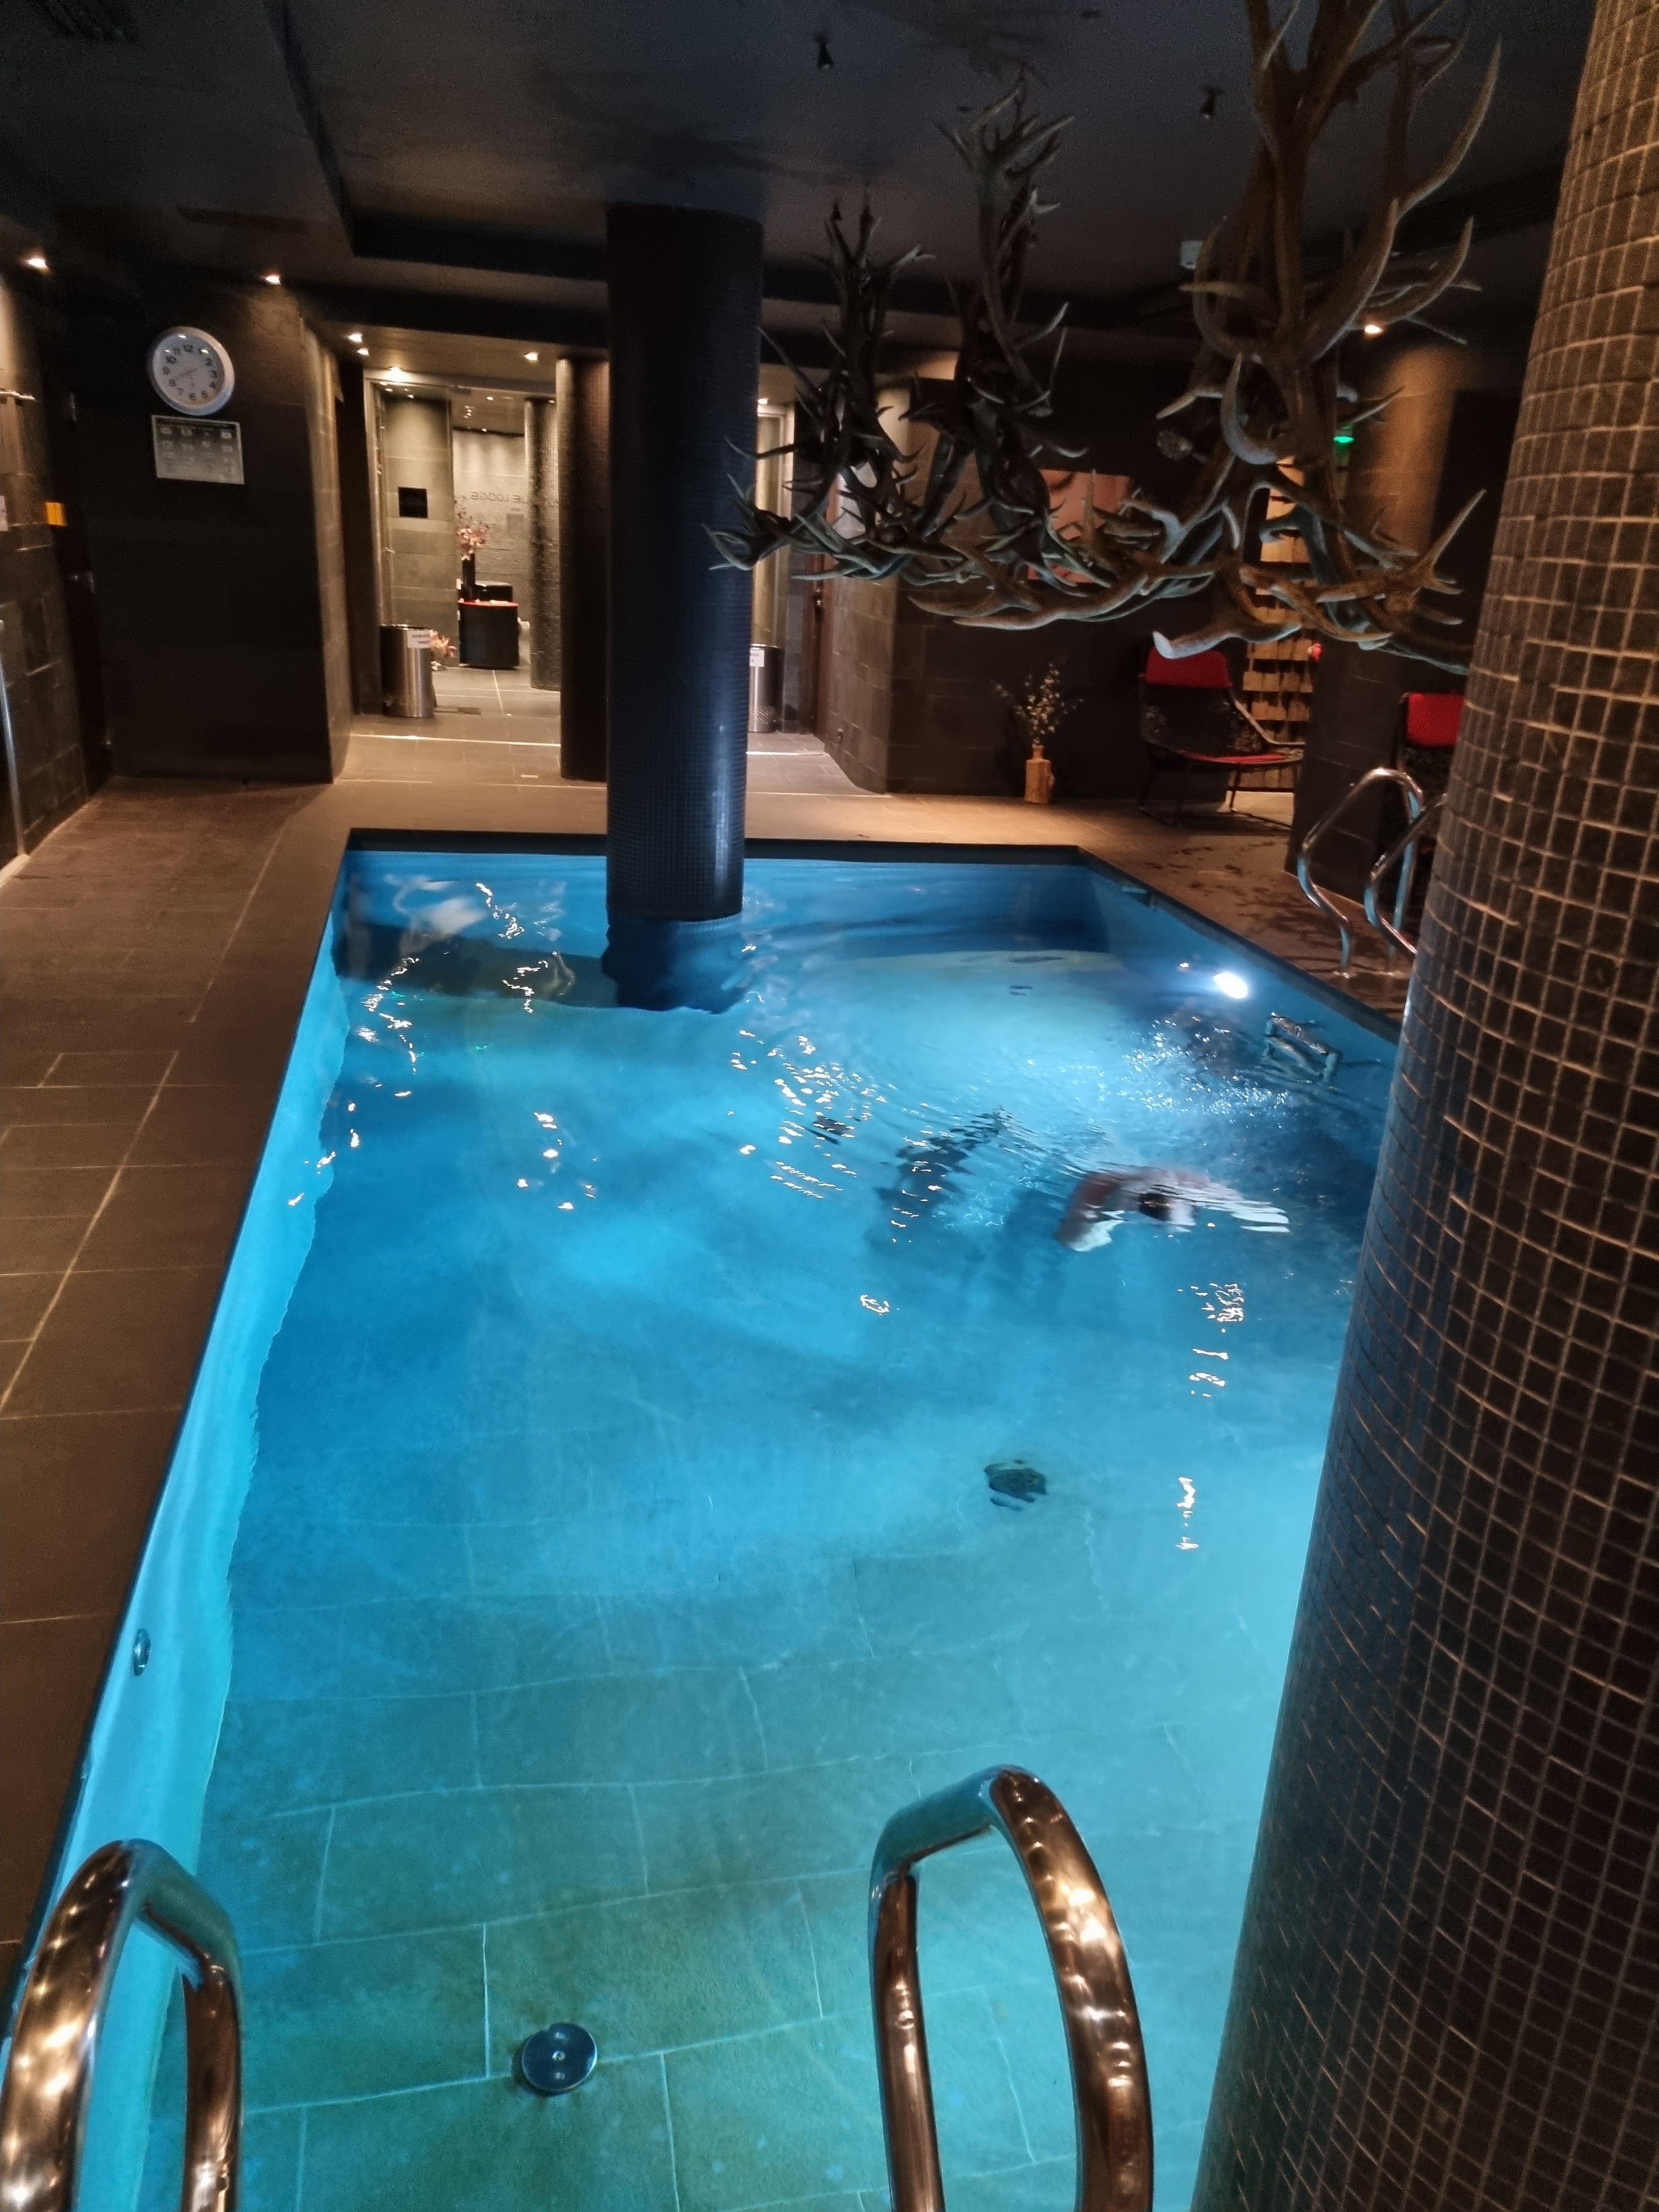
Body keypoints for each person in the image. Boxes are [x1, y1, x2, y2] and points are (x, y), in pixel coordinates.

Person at [1056, 1165, 1288, 1250]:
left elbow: (1270, 1217)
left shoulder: (1194, 1185)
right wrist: (1113, 1209)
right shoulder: (1100, 1183)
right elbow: (1074, 1241)